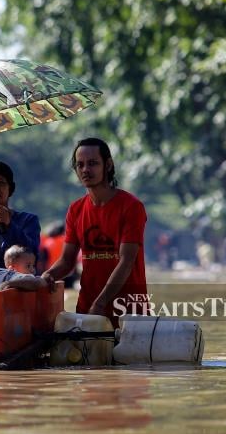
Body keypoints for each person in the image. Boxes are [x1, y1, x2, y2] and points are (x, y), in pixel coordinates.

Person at [42, 138, 148, 328]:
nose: (85, 170)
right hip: (88, 310)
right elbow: (67, 262)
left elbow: (127, 261)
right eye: (80, 165)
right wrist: (47, 276)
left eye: (92, 163)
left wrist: (100, 303)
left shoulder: (131, 207)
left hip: (129, 313)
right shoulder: (75, 210)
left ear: (108, 165)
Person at [0, 161, 40, 269]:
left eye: (0, 182)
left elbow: (31, 254)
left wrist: (9, 225)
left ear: (10, 189)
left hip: (18, 285)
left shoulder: (28, 220)